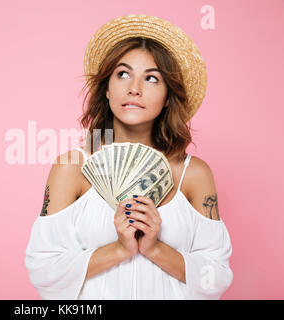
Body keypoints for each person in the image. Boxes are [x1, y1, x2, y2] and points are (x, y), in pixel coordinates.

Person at [25, 14, 233, 300]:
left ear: (168, 97)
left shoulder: (194, 175)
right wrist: (119, 250)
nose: (134, 88)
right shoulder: (71, 168)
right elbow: (43, 269)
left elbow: (217, 276)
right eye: (123, 74)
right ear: (107, 89)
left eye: (151, 78)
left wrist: (155, 248)